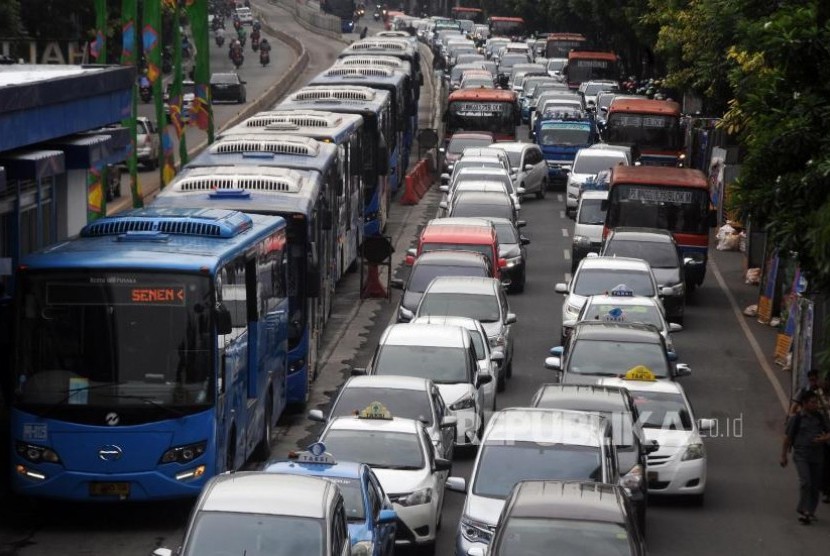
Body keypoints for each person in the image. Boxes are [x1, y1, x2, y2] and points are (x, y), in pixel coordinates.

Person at [781, 390, 830, 524]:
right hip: (802, 455)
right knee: (806, 482)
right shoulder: (796, 419)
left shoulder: (820, 418)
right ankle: (803, 509)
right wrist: (783, 455)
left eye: (816, 402)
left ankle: (810, 511)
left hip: (817, 456)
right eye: (812, 403)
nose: (815, 405)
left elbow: (828, 432)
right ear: (804, 404)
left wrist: (824, 438)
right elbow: (787, 438)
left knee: (815, 485)